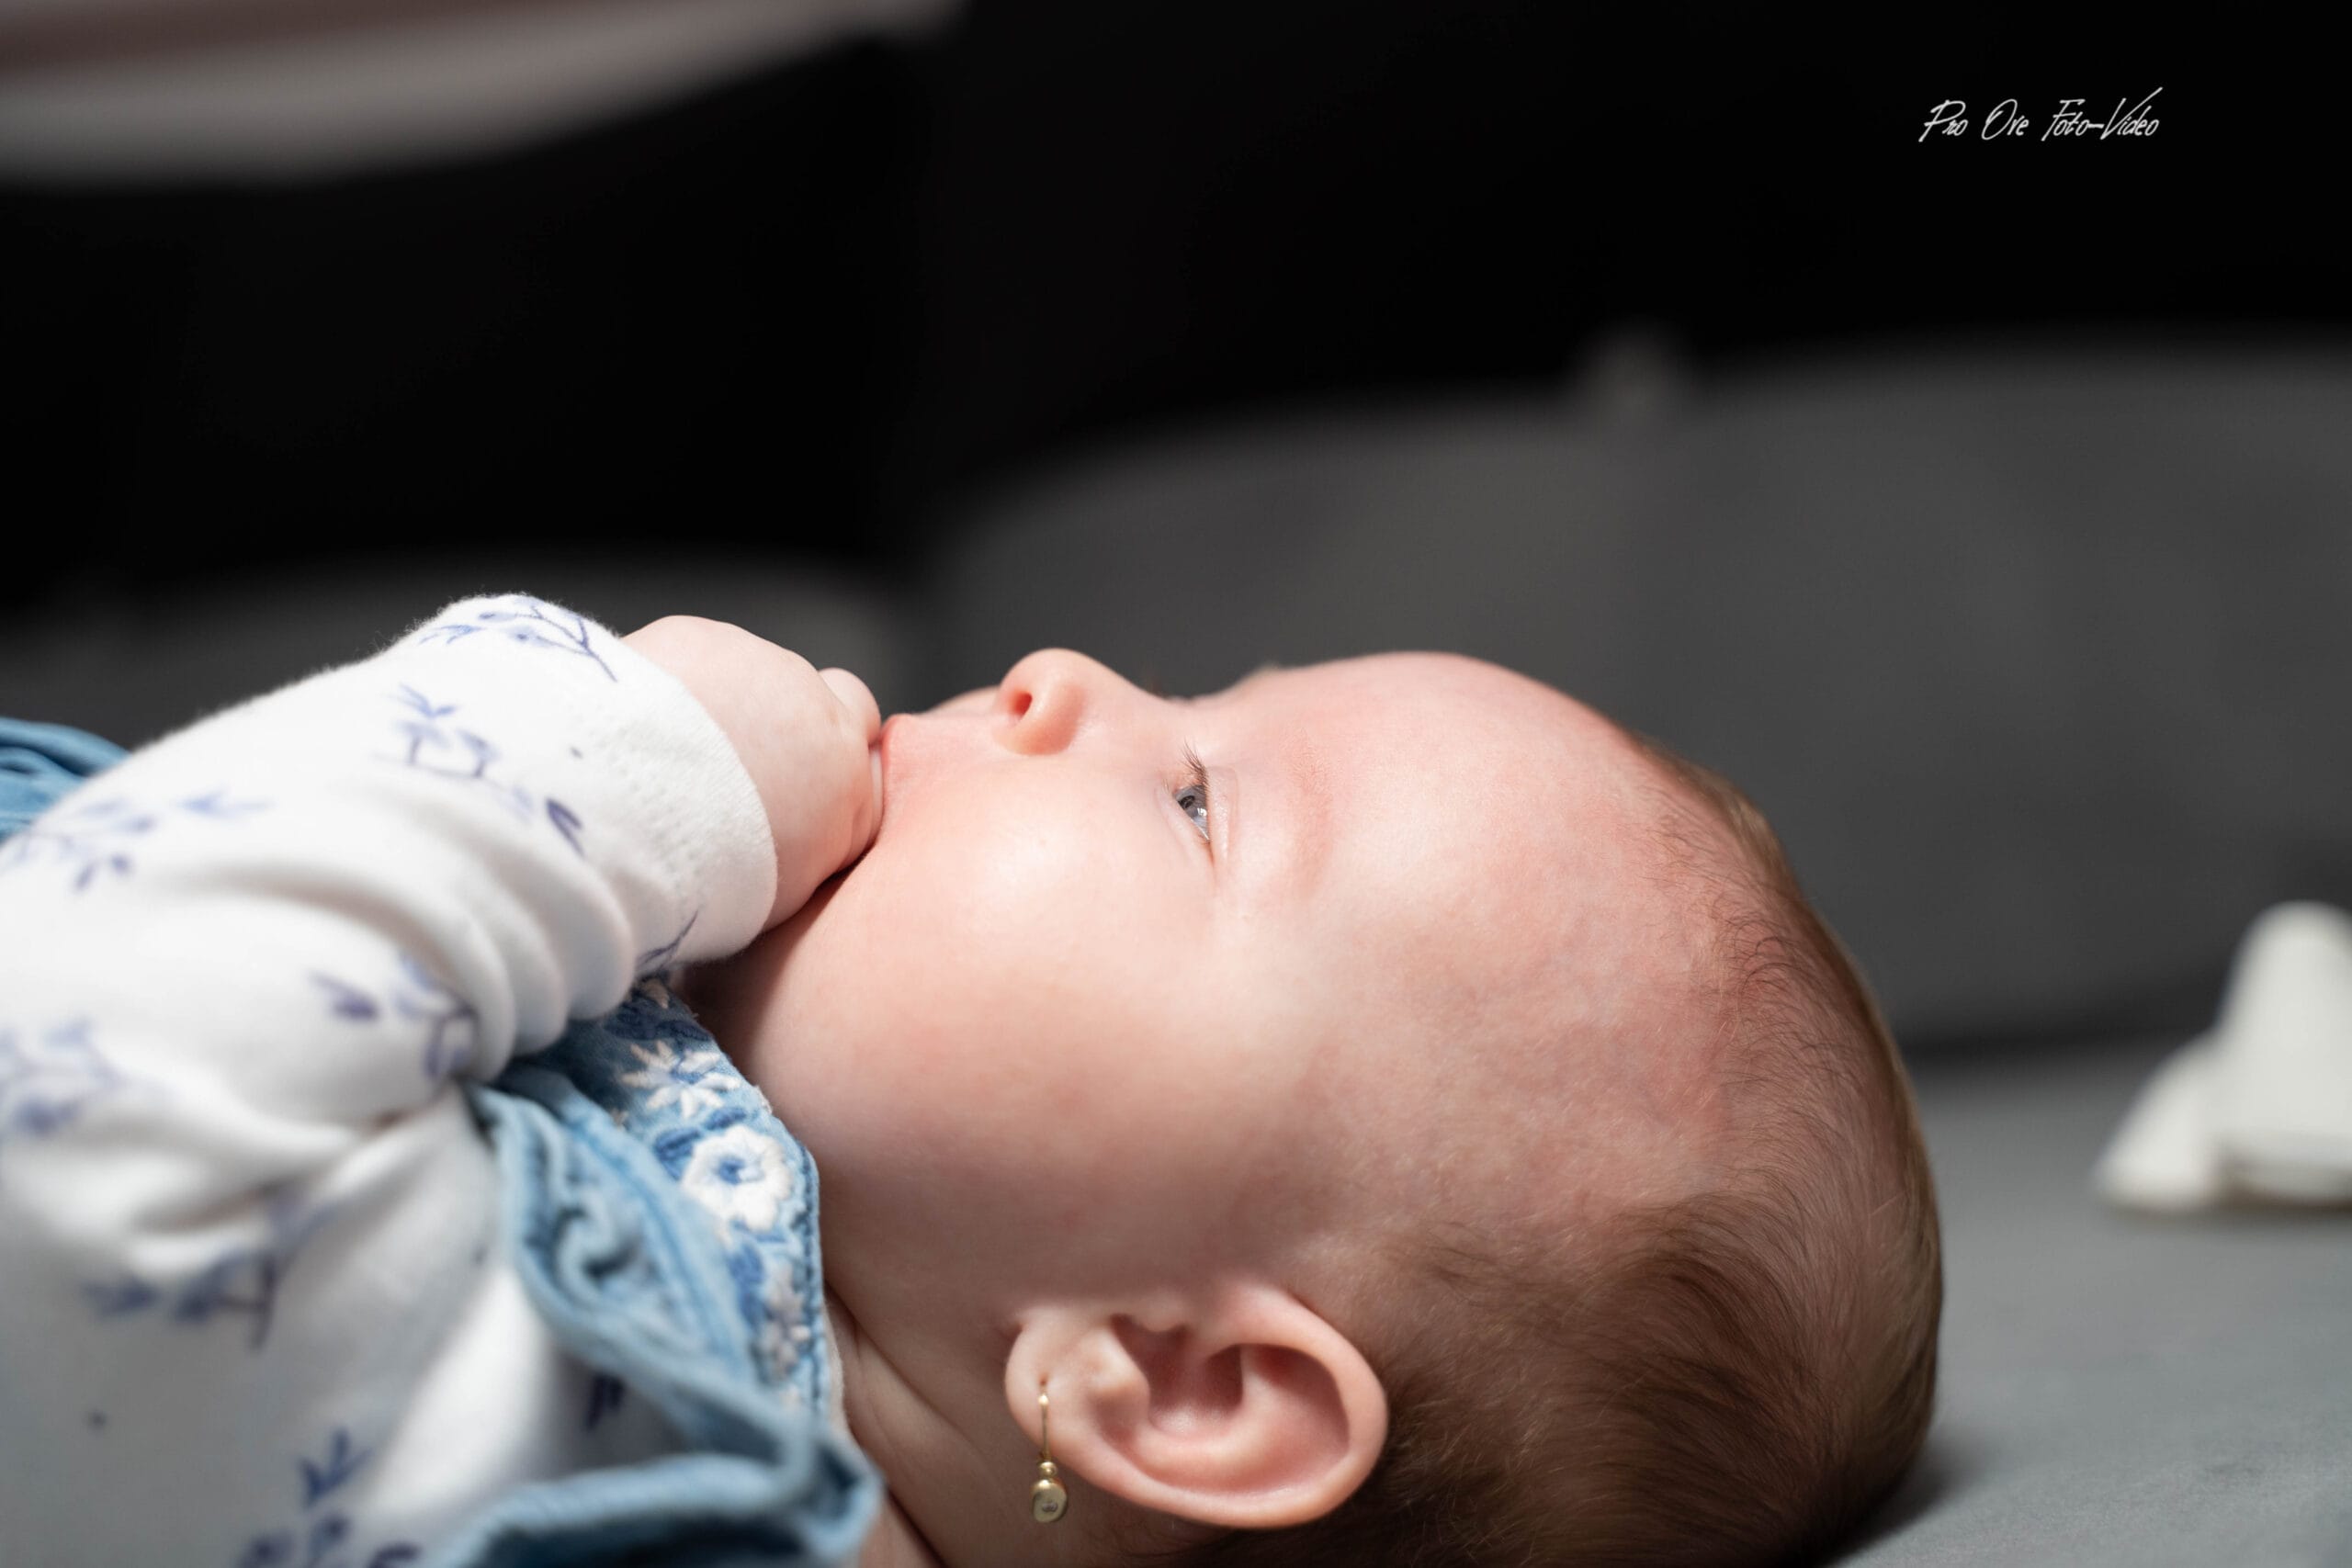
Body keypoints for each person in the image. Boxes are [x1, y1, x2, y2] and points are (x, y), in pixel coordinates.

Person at [0, 590, 1940, 1567]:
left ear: (1179, 1382)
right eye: (1204, 704)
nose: (1062, 675)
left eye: (1197, 802)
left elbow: (70, 1069)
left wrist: (605, 753)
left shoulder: (594, 1431)